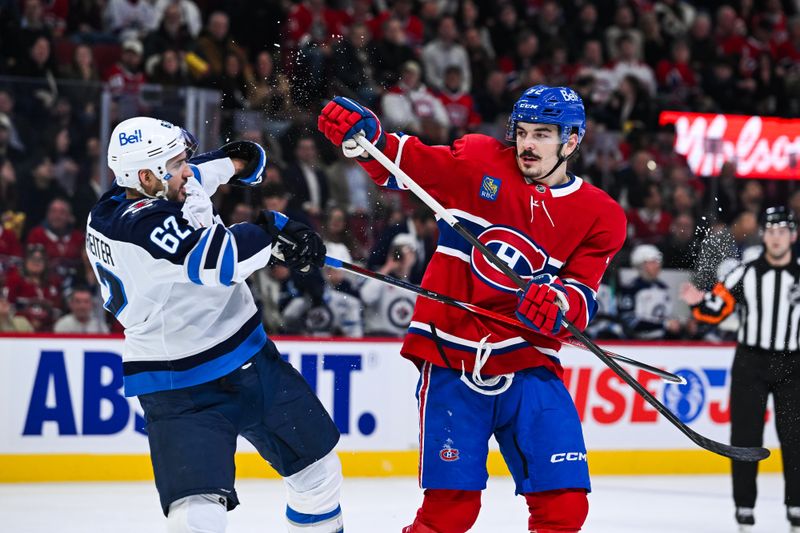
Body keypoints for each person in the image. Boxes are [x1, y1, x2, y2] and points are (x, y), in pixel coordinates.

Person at [318, 86, 627, 532]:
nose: (527, 144)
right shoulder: (479, 162)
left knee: (564, 509)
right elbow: (402, 165)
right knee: (450, 515)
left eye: (543, 134)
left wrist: (557, 303)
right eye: (522, 132)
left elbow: (582, 293)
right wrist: (364, 138)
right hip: (453, 359)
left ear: (572, 141)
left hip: (529, 362)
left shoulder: (600, 215)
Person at [86, 117, 343, 533]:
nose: (187, 171)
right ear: (148, 176)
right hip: (182, 387)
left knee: (319, 474)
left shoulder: (161, 182)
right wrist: (273, 229)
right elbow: (220, 262)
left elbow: (224, 166)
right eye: (177, 164)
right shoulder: (136, 224)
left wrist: (240, 160)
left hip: (253, 362)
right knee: (198, 516)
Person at [681, 206, 800, 533]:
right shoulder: (744, 273)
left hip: (793, 365)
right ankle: (744, 508)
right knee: (745, 439)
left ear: (793, 235)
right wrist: (696, 304)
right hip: (751, 364)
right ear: (764, 235)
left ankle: (797, 505)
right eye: (771, 231)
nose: (776, 237)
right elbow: (714, 311)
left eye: (783, 230)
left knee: (795, 439)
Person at [618, 244, 685, 340]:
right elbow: (630, 322)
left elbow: (668, 315)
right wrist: (664, 325)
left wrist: (682, 323)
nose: (657, 266)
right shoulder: (630, 289)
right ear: (641, 265)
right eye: (652, 262)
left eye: (658, 262)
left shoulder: (663, 287)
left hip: (663, 342)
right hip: (638, 344)